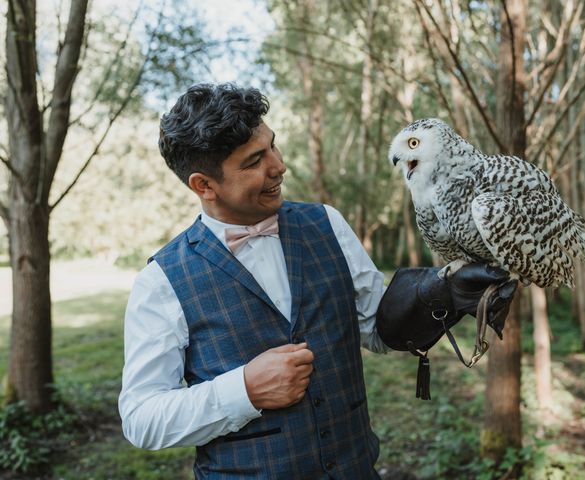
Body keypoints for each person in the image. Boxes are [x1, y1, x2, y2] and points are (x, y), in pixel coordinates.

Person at [118, 82, 515, 479]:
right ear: (204, 185)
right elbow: (141, 419)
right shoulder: (161, 282)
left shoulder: (328, 223)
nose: (278, 166)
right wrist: (244, 390)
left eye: (272, 146)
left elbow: (379, 328)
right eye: (255, 161)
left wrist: (442, 292)